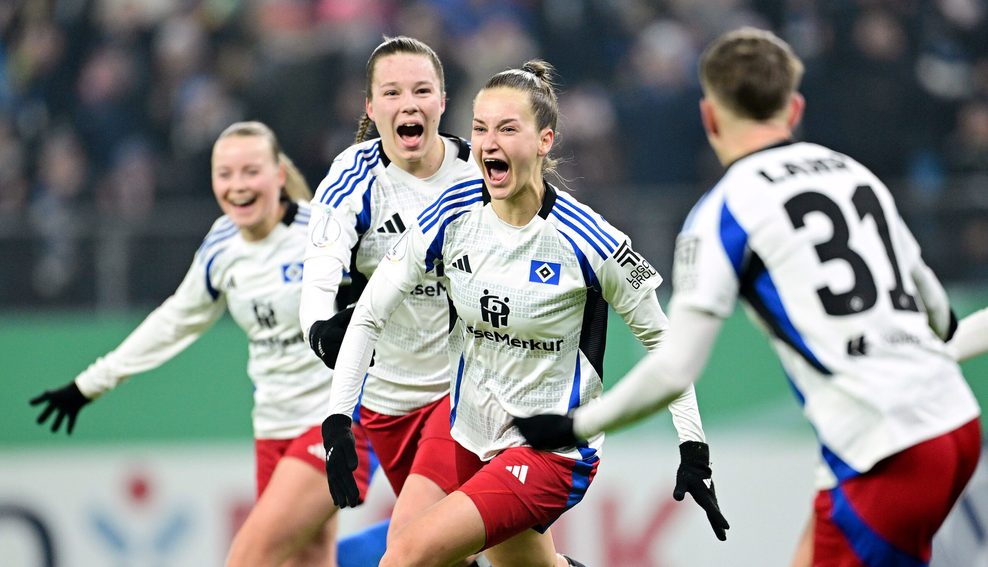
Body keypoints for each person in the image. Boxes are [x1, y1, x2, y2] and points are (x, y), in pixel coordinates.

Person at [513, 28, 982, 567]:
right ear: (795, 107)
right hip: (953, 423)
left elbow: (674, 367)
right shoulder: (854, 175)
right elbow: (938, 314)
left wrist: (574, 426)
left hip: (887, 448)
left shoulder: (724, 211)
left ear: (709, 117)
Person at [320, 59, 727, 567]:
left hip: (548, 450)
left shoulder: (592, 242)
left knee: (406, 556)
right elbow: (370, 312)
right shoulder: (450, 215)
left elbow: (668, 347)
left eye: (507, 128)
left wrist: (694, 449)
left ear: (544, 140)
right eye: (480, 128)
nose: (488, 142)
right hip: (466, 428)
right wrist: (338, 415)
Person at [29, 121, 382, 567]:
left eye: (250, 171)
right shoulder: (222, 247)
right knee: (307, 562)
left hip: (335, 422)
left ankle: (428, 533)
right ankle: (425, 537)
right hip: (272, 429)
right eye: (225, 174)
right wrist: (89, 384)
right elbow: (173, 321)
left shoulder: (323, 231)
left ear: (277, 174)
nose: (237, 186)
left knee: (247, 558)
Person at [298, 36, 485, 563]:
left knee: (405, 550)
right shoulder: (353, 178)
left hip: (464, 394)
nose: (409, 103)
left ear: (443, 102)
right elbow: (319, 272)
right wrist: (319, 329)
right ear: (371, 107)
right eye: (393, 92)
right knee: (457, 555)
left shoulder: (477, 175)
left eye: (422, 90)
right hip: (386, 406)